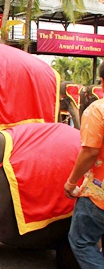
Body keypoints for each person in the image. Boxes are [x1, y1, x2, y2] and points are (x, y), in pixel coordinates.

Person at [64, 64, 104, 268]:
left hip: (99, 195)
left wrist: (71, 182)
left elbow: (89, 152)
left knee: (81, 240)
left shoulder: (97, 110)